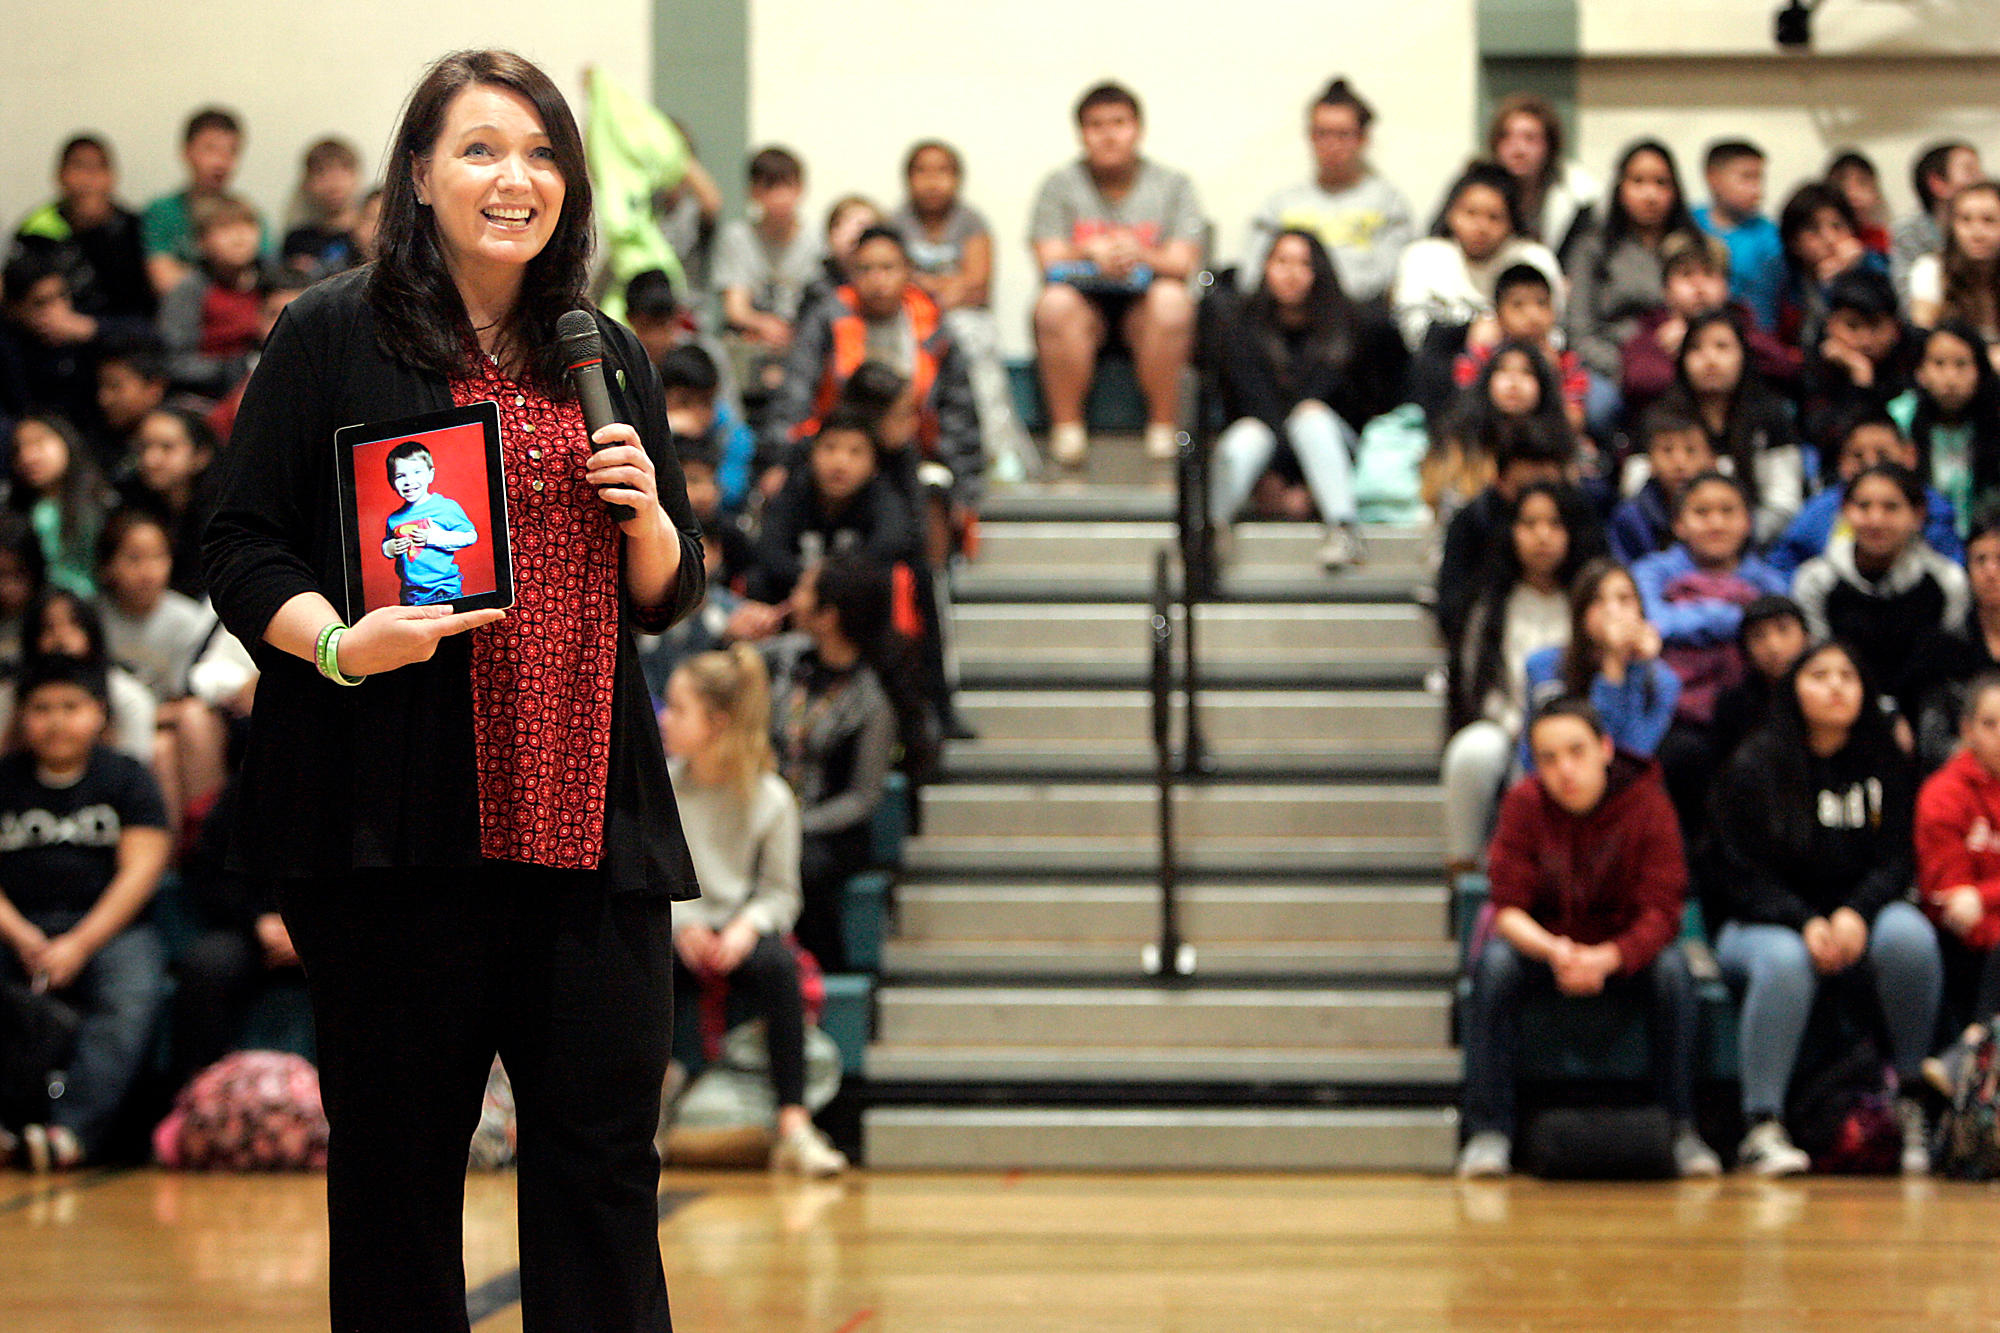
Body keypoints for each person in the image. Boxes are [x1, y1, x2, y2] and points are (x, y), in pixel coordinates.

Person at [202, 50, 704, 1329]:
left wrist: (648, 519)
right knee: (396, 1182)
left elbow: (671, 583)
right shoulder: (332, 330)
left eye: (540, 153)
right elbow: (240, 540)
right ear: (419, 175)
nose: (514, 177)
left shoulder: (604, 350)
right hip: (393, 830)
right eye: (480, 149)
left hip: (587, 825)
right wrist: (334, 643)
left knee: (600, 1177)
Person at [1706, 640, 1941, 1176]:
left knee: (1910, 938)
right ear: (1794, 688)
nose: (1836, 686)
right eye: (1820, 675)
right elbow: (1733, 871)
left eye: (1848, 676)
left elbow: (1900, 858)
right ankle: (1761, 1124)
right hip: (1761, 922)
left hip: (1857, 917)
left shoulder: (1883, 761)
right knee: (1787, 960)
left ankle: (1909, 1102)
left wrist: (1857, 912)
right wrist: (1804, 919)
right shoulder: (1756, 762)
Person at [1457, 697, 1715, 1179]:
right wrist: (1555, 950)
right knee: (1494, 966)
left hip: (1624, 952)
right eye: (1548, 759)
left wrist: (1609, 957)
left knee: (1675, 972)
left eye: (1576, 752)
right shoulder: (1523, 804)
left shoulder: (1648, 802)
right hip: (1549, 950)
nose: (1565, 770)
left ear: (1605, 748)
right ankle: (1489, 1131)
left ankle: (1681, 1127)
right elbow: (1507, 908)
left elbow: (1663, 911)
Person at [660, 646, 848, 1176]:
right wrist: (682, 925)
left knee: (778, 965)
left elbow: (782, 895)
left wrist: (745, 927)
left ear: (716, 723)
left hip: (737, 932)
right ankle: (644, 1115)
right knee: (641, 967)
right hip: (678, 932)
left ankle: (794, 1124)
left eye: (677, 708)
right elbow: (646, 883)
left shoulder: (770, 798)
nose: (664, 719)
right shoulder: (664, 789)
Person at [0, 656, 171, 1171]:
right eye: (41, 708)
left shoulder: (127, 779)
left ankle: (69, 1134)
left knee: (132, 995)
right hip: (16, 925)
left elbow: (142, 870)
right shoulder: (3, 779)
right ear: (21, 716)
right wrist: (21, 934)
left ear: (98, 712)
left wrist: (80, 943)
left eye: (70, 707)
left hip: (107, 930)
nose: (55, 721)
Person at [1029, 80, 1204, 466]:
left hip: (1148, 305)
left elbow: (1183, 262)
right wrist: (1088, 252)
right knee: (1053, 305)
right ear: (1081, 133)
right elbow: (1048, 260)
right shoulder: (1059, 185)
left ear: (1138, 129)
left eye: (1119, 123)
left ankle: (1163, 426)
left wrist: (1138, 254)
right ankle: (1067, 430)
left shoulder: (1173, 185)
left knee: (1173, 300)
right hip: (1082, 302)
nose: (1108, 135)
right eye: (1096, 125)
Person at [1210, 228, 1405, 569]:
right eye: (1281, 261)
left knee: (1310, 415)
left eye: (1303, 263)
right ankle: (1209, 532)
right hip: (1265, 458)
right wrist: (1273, 477)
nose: (1290, 273)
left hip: (1338, 455)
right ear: (1265, 267)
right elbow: (1252, 406)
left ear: (1320, 272)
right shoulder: (1241, 329)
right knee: (1249, 432)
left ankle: (1344, 528)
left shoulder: (1351, 327)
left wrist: (1306, 487)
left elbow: (1362, 410)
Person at [762, 226, 981, 516]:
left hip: (914, 453)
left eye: (888, 267)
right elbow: (795, 395)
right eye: (865, 269)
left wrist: (965, 488)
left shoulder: (933, 325)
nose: (878, 280)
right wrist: (780, 461)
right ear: (852, 274)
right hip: (837, 453)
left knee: (936, 497)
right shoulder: (827, 318)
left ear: (908, 271)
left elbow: (959, 412)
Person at [1441, 481, 1600, 871]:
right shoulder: (1491, 602)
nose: (1542, 536)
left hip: (1583, 726)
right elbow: (1476, 684)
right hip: (1508, 725)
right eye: (1529, 524)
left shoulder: (1589, 601)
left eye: (1554, 524)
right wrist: (1520, 726)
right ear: (1511, 532)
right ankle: (1465, 870)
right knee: (1472, 752)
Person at [762, 556, 897, 973]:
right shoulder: (783, 660)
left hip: (827, 829)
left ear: (829, 615)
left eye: (804, 590)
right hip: (766, 811)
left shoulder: (870, 698)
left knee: (804, 865)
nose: (794, 599)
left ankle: (824, 982)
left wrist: (797, 823)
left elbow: (862, 798)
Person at [1633, 472, 1789, 829]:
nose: (1715, 522)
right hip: (1671, 716)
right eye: (1702, 512)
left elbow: (1782, 634)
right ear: (1679, 523)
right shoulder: (1650, 572)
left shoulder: (1768, 580)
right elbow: (1656, 624)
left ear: (1748, 522)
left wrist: (1692, 618)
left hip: (1747, 712)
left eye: (1727, 511)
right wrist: (1735, 614)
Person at [890, 140, 1037, 482]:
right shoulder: (897, 223)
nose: (932, 181)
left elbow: (976, 287)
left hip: (966, 321)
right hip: (910, 320)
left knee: (972, 341)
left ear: (957, 178)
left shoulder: (971, 223)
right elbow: (897, 282)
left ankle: (998, 451)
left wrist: (926, 285)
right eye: (922, 171)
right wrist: (942, 287)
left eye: (942, 171)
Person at [1792, 461, 1969, 721]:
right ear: (1844, 511)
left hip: (1924, 716)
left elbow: (1946, 665)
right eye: (1863, 506)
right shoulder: (1815, 581)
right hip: (1842, 714)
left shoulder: (1948, 581)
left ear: (1918, 515)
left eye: (1891, 507)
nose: (1875, 520)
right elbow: (1820, 663)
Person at [1241, 78, 1415, 305]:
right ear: (1310, 137)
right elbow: (1252, 276)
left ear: (1363, 139)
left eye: (1342, 135)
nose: (1332, 145)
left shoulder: (1388, 203)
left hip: (1357, 319)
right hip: (1286, 318)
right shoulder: (1281, 203)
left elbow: (1389, 275)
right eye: (1322, 134)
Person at [1564, 140, 1697, 432]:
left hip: (1686, 358)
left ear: (1674, 190)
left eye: (1661, 183)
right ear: (1620, 188)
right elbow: (1579, 331)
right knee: (1601, 408)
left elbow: (1714, 311)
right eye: (1638, 181)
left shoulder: (1693, 245)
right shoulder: (1593, 247)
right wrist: (1629, 368)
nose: (1650, 194)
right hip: (1614, 362)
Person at [1393, 164, 1564, 364]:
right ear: (1450, 213)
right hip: (1440, 370)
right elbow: (1413, 334)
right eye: (1471, 213)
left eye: (1494, 217)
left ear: (1511, 222)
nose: (1481, 227)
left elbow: (1555, 334)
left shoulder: (1534, 259)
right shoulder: (1422, 257)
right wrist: (1469, 332)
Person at [1521, 560, 1680, 769]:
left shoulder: (1663, 681)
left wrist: (1631, 667)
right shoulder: (1543, 665)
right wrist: (1612, 662)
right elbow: (1540, 755)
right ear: (1580, 612)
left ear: (1641, 609)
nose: (1612, 611)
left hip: (1621, 793)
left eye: (1624, 599)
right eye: (1597, 600)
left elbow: (1629, 758)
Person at [1767, 407, 1961, 577]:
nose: (1870, 464)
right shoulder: (1822, 508)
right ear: (1842, 462)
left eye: (1882, 454)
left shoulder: (1934, 509)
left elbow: (1953, 567)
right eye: (1858, 456)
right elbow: (1782, 563)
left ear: (1909, 455)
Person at [1430, 432, 1575, 653]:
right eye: (1522, 489)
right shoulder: (1472, 524)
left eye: (1554, 522)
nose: (1542, 534)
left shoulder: (1583, 531)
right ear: (1500, 482)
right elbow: (1451, 614)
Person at [1916, 672, 2000, 1047]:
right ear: (1966, 730)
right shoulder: (1943, 794)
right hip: (1967, 952)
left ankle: (1970, 1053)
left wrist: (1984, 899)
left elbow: (1972, 901)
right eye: (1990, 724)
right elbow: (1952, 905)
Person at [1672, 309, 1805, 542]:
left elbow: (1784, 503)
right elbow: (1637, 491)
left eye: (1722, 347)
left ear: (1743, 355)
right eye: (1696, 348)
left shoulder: (1770, 416)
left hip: (1756, 546)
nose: (1710, 359)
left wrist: (1734, 538)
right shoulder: (1663, 419)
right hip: (1677, 544)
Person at [1422, 339, 1575, 525]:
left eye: (1527, 372)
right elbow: (1437, 502)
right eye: (1503, 370)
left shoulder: (1556, 447)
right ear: (1487, 380)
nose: (1514, 382)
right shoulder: (1459, 439)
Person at [11, 135, 155, 324]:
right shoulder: (36, 229)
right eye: (78, 167)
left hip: (123, 338)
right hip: (50, 336)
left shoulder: (135, 228)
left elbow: (148, 312)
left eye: (97, 168)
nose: (88, 179)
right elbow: (20, 300)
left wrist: (92, 330)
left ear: (112, 177)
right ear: (60, 176)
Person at [715, 146, 821, 402]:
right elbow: (735, 309)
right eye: (770, 187)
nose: (781, 196)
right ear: (753, 192)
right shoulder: (738, 238)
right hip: (750, 348)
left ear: (800, 189)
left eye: (787, 186)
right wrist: (764, 324)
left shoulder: (816, 242)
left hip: (801, 348)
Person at [1891, 322, 2000, 537]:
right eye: (1939, 363)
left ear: (1980, 371)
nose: (1950, 378)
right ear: (1920, 370)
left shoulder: (1994, 421)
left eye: (1961, 364)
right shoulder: (1899, 418)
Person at [1452, 263, 1587, 435]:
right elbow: (1466, 411)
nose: (1533, 315)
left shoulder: (1566, 362)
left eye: (1542, 303)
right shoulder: (1480, 357)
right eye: (1518, 305)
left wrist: (1549, 377)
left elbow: (1573, 422)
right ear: (1498, 313)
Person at [140, 108, 262, 299]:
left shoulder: (246, 212)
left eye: (232, 151)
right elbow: (164, 281)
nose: (221, 162)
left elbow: (263, 277)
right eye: (210, 149)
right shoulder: (162, 211)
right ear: (187, 151)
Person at [157, 194, 267, 398]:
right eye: (225, 229)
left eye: (248, 225)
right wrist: (232, 369)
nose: (239, 237)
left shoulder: (271, 282)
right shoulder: (189, 289)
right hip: (206, 395)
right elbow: (175, 361)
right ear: (201, 242)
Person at [1485, 93, 1599, 264]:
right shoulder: (1474, 187)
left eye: (1530, 138)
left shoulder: (1578, 193)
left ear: (1550, 145)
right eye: (1507, 137)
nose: (1518, 149)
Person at [119, 405, 219, 600]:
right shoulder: (128, 504)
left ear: (201, 456)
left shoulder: (222, 510)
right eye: (144, 447)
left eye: (167, 447)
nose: (150, 459)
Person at [10, 413, 110, 598]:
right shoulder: (16, 512)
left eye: (38, 443)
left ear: (66, 441)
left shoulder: (103, 501)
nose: (28, 456)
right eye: (19, 449)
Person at [1607, 398, 1715, 565]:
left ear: (1711, 459)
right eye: (1667, 450)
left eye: (1691, 450)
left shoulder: (1726, 511)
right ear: (1650, 460)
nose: (1680, 463)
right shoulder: (1630, 516)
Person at [1777, 183, 1882, 352]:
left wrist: (1858, 264)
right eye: (1813, 229)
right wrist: (1824, 284)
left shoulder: (1871, 265)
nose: (1829, 238)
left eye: (1837, 226)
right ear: (1793, 242)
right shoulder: (1784, 279)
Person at [1692, 140, 1785, 333]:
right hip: (1694, 336)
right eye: (1747, 177)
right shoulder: (1689, 223)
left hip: (1756, 339)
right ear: (1713, 178)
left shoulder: (1772, 238)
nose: (1756, 189)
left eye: (1760, 179)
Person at [1711, 593, 1810, 764]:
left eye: (1783, 629)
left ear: (1807, 637)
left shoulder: (1825, 694)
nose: (1774, 646)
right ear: (1745, 649)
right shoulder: (1733, 704)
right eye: (1758, 635)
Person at [380, 440, 479, 606]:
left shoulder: (446, 506)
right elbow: (387, 544)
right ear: (391, 481)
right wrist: (389, 548)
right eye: (400, 476)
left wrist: (434, 538)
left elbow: (470, 536)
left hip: (444, 591)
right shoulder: (394, 519)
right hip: (411, 595)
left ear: (430, 474)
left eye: (417, 472)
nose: (409, 481)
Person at [658, 343, 753, 513]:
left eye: (705, 402)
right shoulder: (652, 426)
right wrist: (666, 428)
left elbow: (731, 492)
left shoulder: (731, 434)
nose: (696, 413)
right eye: (684, 402)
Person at [1908, 181, 2000, 347]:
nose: (1977, 233)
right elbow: (1921, 339)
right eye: (1965, 220)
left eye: (1989, 220)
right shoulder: (1931, 270)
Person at [1892, 140, 1983, 302]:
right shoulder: (1911, 232)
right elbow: (1909, 303)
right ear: (1938, 183)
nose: (1981, 180)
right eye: (1971, 172)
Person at [280, 137, 363, 279]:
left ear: (356, 176)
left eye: (341, 172)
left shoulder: (370, 236)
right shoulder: (297, 241)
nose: (333, 184)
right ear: (307, 183)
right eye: (321, 173)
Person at [90, 333, 170, 474]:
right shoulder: (101, 443)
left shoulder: (189, 430)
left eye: (115, 386)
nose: (103, 399)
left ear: (154, 388)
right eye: (101, 386)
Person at [1826, 149, 1892, 258]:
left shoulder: (1883, 238)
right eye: (1842, 185)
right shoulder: (1823, 240)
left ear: (1875, 193)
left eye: (1862, 183)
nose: (1852, 193)